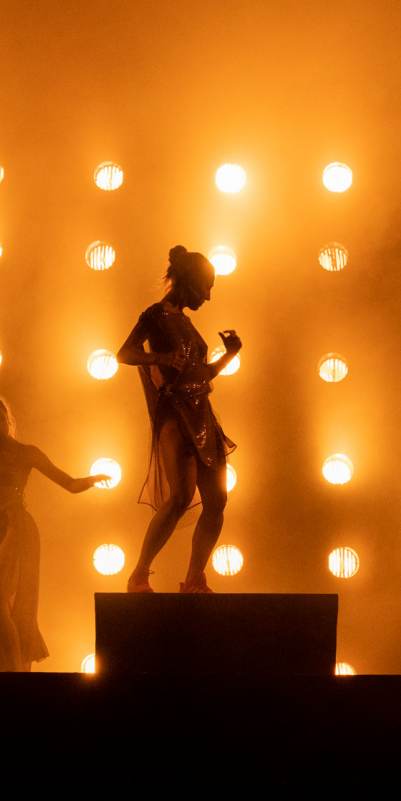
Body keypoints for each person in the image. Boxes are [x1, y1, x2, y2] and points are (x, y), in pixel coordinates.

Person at [0, 393, 109, 671]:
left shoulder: (27, 452)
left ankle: (14, 674)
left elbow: (69, 483)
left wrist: (91, 480)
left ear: (6, 418)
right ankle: (1, 669)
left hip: (16, 527)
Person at [116, 245, 240, 593]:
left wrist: (229, 356)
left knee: (217, 501)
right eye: (206, 287)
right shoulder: (156, 315)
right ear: (187, 282)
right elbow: (123, 353)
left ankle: (194, 580)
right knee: (181, 497)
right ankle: (139, 573)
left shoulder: (186, 323)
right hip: (177, 415)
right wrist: (159, 357)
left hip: (203, 413)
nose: (209, 296)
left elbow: (202, 376)